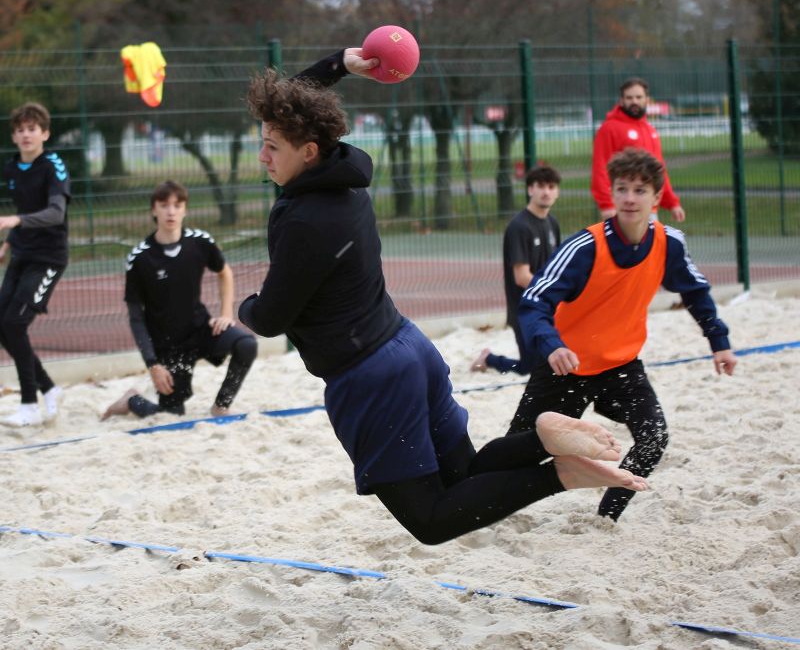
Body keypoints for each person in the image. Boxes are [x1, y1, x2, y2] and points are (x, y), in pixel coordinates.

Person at [237, 48, 647, 546]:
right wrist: (337, 64)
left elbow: (272, 318)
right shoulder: (345, 177)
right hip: (410, 348)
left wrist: (244, 306)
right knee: (464, 474)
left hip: (369, 377)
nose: (262, 156)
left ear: (307, 152)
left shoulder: (306, 220)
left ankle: (558, 475)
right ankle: (538, 441)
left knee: (431, 520)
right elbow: (295, 109)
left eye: (271, 147)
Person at [509, 147, 737, 522]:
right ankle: (477, 503)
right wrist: (552, 345)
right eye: (622, 189)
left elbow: (696, 293)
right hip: (566, 366)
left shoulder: (669, 243)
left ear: (656, 197)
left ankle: (607, 517)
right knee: (519, 452)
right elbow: (533, 301)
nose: (630, 198)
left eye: (639, 190)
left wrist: (719, 343)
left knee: (654, 438)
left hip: (621, 365)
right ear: (612, 193)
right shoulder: (584, 247)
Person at [101, 180, 257, 420]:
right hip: (168, 346)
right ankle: (131, 400)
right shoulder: (140, 258)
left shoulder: (200, 242)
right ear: (154, 210)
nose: (171, 212)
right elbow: (136, 317)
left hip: (200, 329)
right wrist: (153, 364)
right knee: (171, 414)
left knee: (246, 344)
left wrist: (226, 314)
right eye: (164, 205)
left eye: (177, 205)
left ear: (185, 209)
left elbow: (224, 272)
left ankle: (221, 407)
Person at [0, 102, 69, 427]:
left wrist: (15, 221)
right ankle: (50, 389)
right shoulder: (13, 168)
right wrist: (8, 242)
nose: (26, 134)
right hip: (22, 255)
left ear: (45, 133)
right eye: (20, 130)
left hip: (48, 258)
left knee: (14, 324)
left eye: (32, 128)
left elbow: (56, 213)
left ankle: (29, 404)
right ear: (14, 137)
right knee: (2, 324)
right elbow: (25, 211)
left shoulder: (53, 165)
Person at [471, 164, 561, 375]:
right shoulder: (519, 227)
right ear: (530, 189)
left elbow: (556, 267)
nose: (546, 192)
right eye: (541, 186)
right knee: (530, 368)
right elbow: (521, 277)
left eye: (551, 187)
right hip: (524, 309)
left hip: (547, 307)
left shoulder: (552, 223)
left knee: (549, 364)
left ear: (557, 192)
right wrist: (554, 291)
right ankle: (489, 359)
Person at [591, 77, 685, 222]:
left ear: (647, 99)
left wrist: (672, 202)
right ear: (621, 101)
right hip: (624, 209)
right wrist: (607, 205)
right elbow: (601, 167)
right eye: (629, 98)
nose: (634, 101)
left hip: (649, 209)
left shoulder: (650, 130)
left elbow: (659, 171)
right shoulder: (609, 129)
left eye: (638, 97)